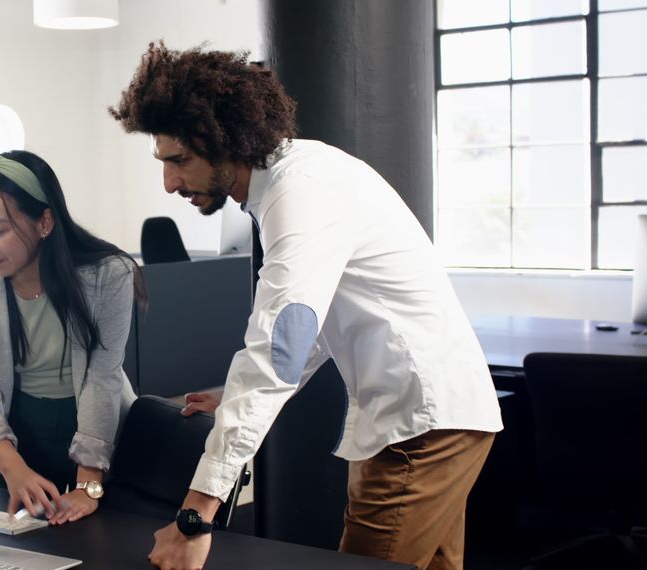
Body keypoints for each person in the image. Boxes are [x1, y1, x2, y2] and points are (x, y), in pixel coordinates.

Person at [109, 43, 503, 570]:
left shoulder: (299, 193)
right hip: (434, 416)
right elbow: (307, 334)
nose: (170, 183)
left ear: (225, 139)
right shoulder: (296, 180)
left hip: (420, 427)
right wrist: (231, 396)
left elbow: (277, 351)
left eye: (179, 161)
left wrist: (195, 516)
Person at [0, 150, 145, 526]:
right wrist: (12, 468)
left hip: (101, 437)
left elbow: (101, 378)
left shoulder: (110, 275)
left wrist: (88, 483)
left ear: (44, 222)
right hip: (18, 441)